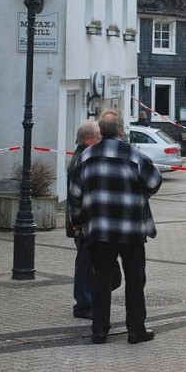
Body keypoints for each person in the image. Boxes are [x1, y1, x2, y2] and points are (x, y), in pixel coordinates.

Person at [69, 108, 163, 345]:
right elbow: (154, 183)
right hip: (130, 230)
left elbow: (75, 195)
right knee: (134, 279)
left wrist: (78, 222)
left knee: (100, 279)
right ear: (121, 130)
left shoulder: (85, 157)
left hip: (98, 230)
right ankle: (136, 330)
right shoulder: (135, 155)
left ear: (101, 131)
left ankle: (99, 331)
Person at [66, 120, 101, 319]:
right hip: (81, 222)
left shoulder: (84, 156)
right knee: (85, 263)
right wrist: (78, 223)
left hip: (82, 221)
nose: (101, 139)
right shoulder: (80, 161)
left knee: (88, 262)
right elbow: (77, 196)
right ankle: (83, 304)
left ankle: (88, 300)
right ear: (88, 140)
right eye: (98, 137)